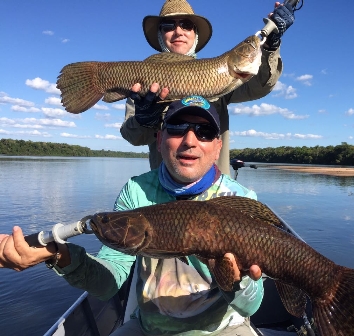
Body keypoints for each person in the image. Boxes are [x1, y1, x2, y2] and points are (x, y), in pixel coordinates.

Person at [0, 95, 263, 336]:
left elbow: (251, 305)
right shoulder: (136, 191)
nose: (190, 140)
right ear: (159, 140)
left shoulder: (240, 200)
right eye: (177, 128)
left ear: (217, 148)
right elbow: (108, 283)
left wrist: (234, 282)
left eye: (204, 132)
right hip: (149, 328)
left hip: (221, 328)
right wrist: (59, 255)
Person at [121, 0, 295, 175]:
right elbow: (133, 137)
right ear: (160, 34)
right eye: (168, 26)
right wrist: (143, 121)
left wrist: (270, 45)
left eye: (186, 25)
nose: (178, 31)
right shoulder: (144, 82)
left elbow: (260, 86)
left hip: (214, 192)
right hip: (163, 190)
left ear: (195, 34)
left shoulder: (223, 74)